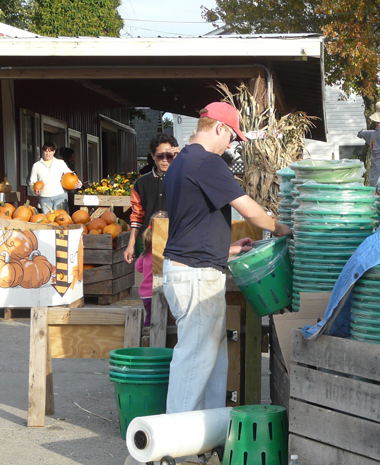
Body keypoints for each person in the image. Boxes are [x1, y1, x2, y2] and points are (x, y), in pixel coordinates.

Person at [162, 101, 292, 414]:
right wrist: (286, 228)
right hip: (196, 276)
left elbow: (189, 223)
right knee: (195, 360)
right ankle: (171, 446)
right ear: (219, 128)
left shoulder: (179, 163)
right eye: (232, 137)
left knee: (211, 358)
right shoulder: (207, 162)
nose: (231, 145)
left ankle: (204, 439)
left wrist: (226, 249)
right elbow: (251, 211)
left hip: (185, 268)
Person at [124, 133, 181, 264]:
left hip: (176, 242)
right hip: (149, 243)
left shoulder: (183, 179)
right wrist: (130, 245)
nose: (165, 160)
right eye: (161, 156)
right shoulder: (141, 184)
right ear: (153, 156)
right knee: (149, 282)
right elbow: (137, 216)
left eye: (170, 156)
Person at [29, 142, 81, 213]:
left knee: (60, 218)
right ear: (43, 151)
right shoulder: (37, 165)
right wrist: (34, 190)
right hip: (44, 197)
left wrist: (79, 183)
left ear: (54, 151)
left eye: (50, 151)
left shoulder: (60, 163)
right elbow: (32, 181)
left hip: (60, 196)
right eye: (46, 151)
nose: (48, 153)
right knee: (48, 221)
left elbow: (70, 174)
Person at [135, 220, 155, 328]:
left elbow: (138, 268)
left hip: (145, 293)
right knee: (154, 318)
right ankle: (147, 336)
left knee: (149, 315)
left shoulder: (145, 253)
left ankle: (146, 329)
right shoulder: (163, 253)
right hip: (155, 292)